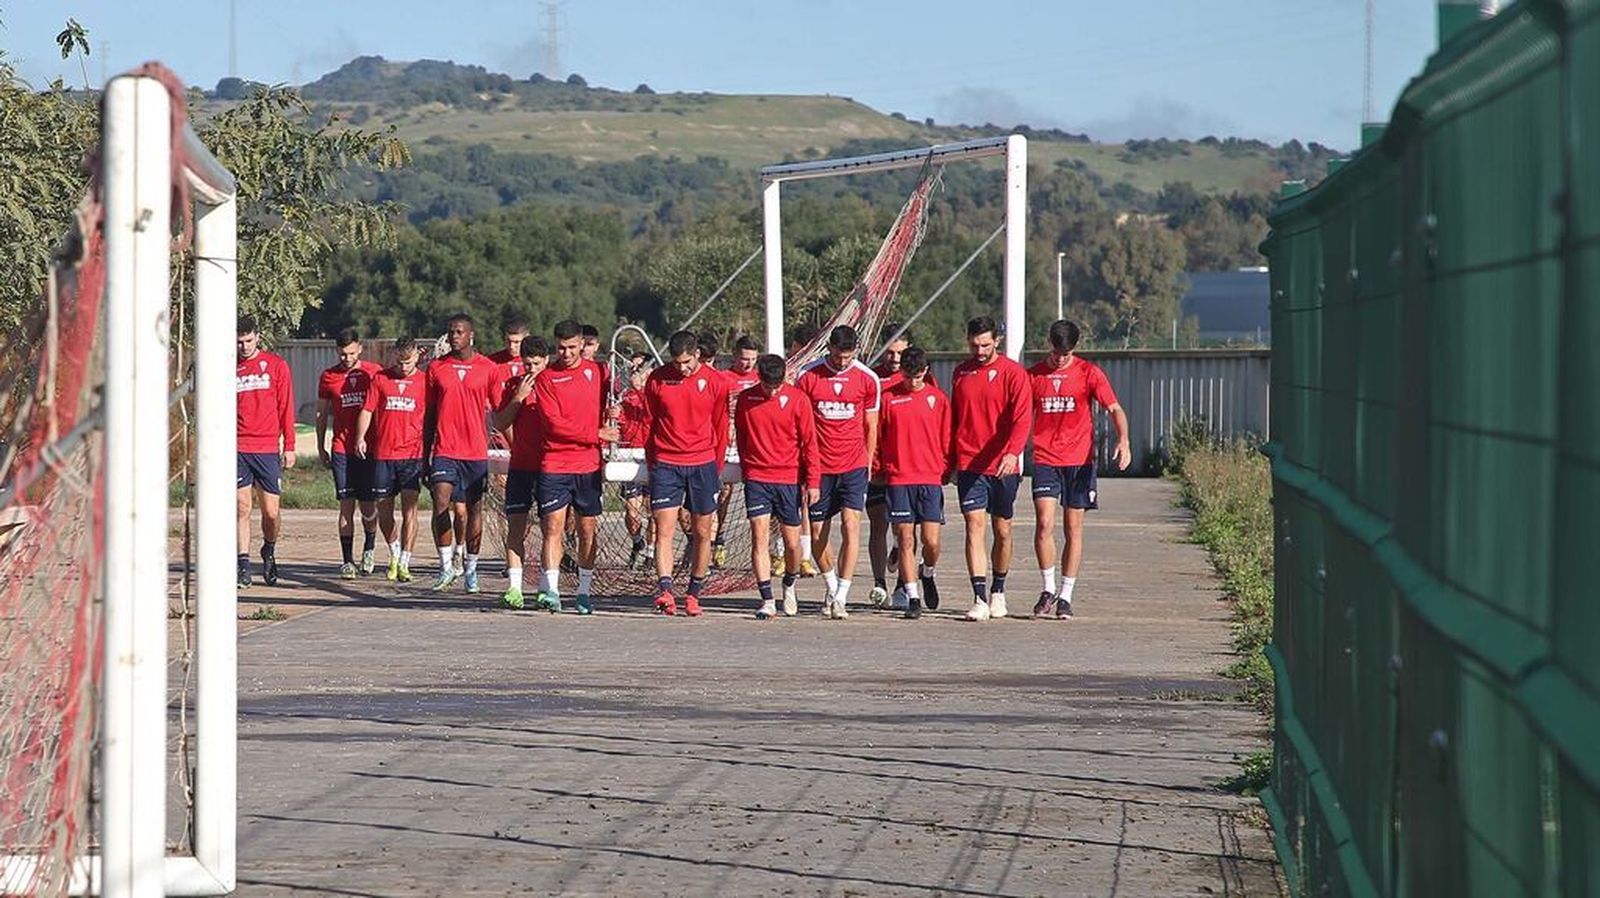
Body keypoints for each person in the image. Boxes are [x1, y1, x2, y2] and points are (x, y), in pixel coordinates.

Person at [1029, 320, 1131, 618]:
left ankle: (1066, 595)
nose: (1060, 357)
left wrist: (1123, 440)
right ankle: (1047, 589)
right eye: (1056, 350)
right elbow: (1016, 412)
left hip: (1079, 461)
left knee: (1073, 528)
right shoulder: (1034, 375)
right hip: (1046, 458)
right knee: (1044, 524)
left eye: (1066, 352)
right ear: (1048, 342)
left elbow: (1114, 408)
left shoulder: (1089, 373)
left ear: (1074, 348)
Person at [948, 315, 1033, 621]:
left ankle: (999, 590)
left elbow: (1023, 418)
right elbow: (954, 419)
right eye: (974, 345)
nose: (980, 351)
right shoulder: (960, 373)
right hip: (971, 464)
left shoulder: (1014, 374)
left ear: (996, 340)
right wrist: (950, 460)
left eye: (985, 344)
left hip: (1003, 467)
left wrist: (1013, 453)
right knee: (974, 527)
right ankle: (979, 597)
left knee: (1003, 529)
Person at [640, 330, 730, 616]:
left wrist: (714, 467)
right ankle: (666, 590)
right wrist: (653, 462)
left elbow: (720, 426)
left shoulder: (716, 382)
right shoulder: (657, 379)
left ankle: (694, 592)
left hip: (702, 464)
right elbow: (649, 423)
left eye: (687, 362)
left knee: (703, 532)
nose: (682, 368)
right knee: (663, 529)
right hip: (667, 463)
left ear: (698, 355)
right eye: (676, 363)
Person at [794, 325, 882, 619]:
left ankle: (842, 595)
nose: (843, 361)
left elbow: (871, 425)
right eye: (838, 355)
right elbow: (801, 426)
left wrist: (867, 463)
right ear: (828, 348)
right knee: (818, 531)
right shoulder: (808, 375)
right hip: (820, 466)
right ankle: (831, 585)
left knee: (851, 525)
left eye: (848, 356)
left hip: (854, 465)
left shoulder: (867, 379)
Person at [531, 320, 616, 613]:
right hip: (555, 463)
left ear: (582, 344)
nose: (565, 353)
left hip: (588, 465)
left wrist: (617, 412)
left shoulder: (597, 372)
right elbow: (555, 425)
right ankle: (552, 590)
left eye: (571, 347)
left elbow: (609, 405)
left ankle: (583, 591)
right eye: (561, 348)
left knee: (587, 530)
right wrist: (595, 434)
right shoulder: (546, 379)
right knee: (552, 527)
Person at [734, 353, 819, 619]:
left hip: (788, 479)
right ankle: (767, 599)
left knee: (792, 543)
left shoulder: (798, 399)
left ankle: (790, 583)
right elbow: (742, 436)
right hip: (758, 479)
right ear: (759, 378)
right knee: (759, 537)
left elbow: (809, 443)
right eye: (768, 385)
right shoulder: (746, 400)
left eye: (777, 385)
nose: (773, 390)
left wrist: (813, 481)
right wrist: (749, 468)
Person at [422, 313, 501, 594]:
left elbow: (501, 413)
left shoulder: (489, 369)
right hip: (445, 449)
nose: (453, 336)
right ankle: (446, 566)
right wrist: (425, 456)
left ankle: (471, 568)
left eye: (458, 332)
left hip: (475, 451)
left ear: (471, 335)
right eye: (450, 332)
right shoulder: (436, 369)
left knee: (473, 509)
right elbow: (429, 414)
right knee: (440, 501)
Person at [877, 347, 950, 619]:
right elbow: (879, 436)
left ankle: (927, 572)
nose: (913, 382)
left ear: (926, 372)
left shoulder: (938, 399)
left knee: (930, 540)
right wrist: (879, 466)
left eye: (918, 376)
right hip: (899, 478)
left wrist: (944, 467)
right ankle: (913, 597)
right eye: (908, 377)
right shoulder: (889, 399)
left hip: (929, 478)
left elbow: (946, 437)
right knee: (905, 538)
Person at [866, 329, 937, 609]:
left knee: (908, 532)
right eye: (890, 352)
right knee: (877, 523)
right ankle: (880, 583)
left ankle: (903, 587)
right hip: (881, 467)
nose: (894, 358)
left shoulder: (923, 380)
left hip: (911, 470)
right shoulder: (873, 377)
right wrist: (874, 462)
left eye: (900, 352)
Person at [355, 337, 428, 582]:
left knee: (410, 510)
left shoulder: (425, 382)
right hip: (384, 455)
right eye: (400, 361)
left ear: (417, 356)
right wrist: (360, 437)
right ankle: (394, 551)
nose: (404, 367)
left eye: (408, 362)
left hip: (411, 456)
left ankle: (405, 561)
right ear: (394, 356)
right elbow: (367, 410)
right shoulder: (381, 379)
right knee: (384, 510)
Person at [316, 328, 383, 579]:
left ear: (360, 348)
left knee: (368, 504)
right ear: (337, 351)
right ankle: (347, 560)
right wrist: (320, 445)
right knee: (346, 504)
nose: (347, 358)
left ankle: (369, 545)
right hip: (341, 447)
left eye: (351, 353)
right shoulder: (328, 377)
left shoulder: (373, 372)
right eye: (342, 354)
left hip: (368, 448)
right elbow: (322, 413)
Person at [491, 337, 552, 610]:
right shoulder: (514, 386)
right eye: (527, 363)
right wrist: (518, 399)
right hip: (520, 466)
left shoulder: (554, 384)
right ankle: (515, 588)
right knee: (516, 526)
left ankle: (544, 587)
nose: (532, 369)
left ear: (546, 361)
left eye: (537, 364)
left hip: (550, 467)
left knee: (550, 529)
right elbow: (500, 422)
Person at [235, 316, 296, 588]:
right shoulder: (229, 367)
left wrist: (290, 446)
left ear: (257, 337)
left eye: (248, 340)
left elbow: (286, 407)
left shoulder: (275, 366)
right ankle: (243, 565)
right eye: (239, 342)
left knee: (271, 512)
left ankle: (268, 550)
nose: (244, 346)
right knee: (242, 508)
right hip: (237, 447)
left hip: (267, 448)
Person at [712, 334, 762, 569]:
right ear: (734, 356)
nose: (748, 363)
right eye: (743, 359)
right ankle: (718, 540)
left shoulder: (762, 379)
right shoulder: (723, 378)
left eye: (752, 359)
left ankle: (773, 548)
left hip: (755, 442)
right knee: (724, 492)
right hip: (729, 442)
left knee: (764, 493)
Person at [786, 322, 823, 576]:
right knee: (787, 504)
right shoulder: (786, 372)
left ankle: (805, 555)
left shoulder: (816, 372)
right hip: (789, 445)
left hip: (812, 443)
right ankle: (783, 551)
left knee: (807, 502)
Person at [616, 361, 653, 568]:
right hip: (629, 456)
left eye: (640, 369)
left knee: (653, 510)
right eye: (633, 369)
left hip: (651, 456)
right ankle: (638, 541)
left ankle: (650, 553)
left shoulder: (654, 394)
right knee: (632, 510)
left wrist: (640, 389)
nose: (635, 373)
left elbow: (651, 414)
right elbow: (617, 421)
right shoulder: (624, 396)